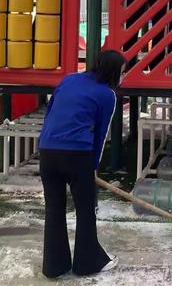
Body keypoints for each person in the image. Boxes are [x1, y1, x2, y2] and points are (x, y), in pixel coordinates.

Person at [38, 50, 127, 278]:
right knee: (86, 210)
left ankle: (54, 266)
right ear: (113, 72)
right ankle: (88, 262)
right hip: (78, 154)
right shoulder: (107, 94)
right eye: (123, 72)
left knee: (54, 208)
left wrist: (47, 141)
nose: (123, 77)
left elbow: (50, 112)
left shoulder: (69, 79)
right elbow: (100, 133)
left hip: (48, 150)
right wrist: (93, 165)